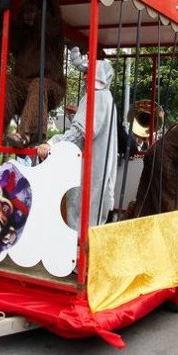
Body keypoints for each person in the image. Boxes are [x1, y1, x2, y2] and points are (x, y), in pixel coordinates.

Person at [36, 49, 117, 232]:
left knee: (80, 219)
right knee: (91, 221)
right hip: (98, 169)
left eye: (88, 74)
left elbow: (80, 133)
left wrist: (52, 144)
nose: (86, 78)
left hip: (90, 171)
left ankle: (75, 253)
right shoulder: (107, 98)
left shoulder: (95, 97)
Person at [0, 0, 66, 148]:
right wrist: (2, 15)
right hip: (25, 85)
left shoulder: (54, 32)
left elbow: (51, 25)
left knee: (39, 84)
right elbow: (3, 35)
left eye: (32, 12)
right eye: (25, 13)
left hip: (51, 85)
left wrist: (45, 3)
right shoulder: (23, 35)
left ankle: (28, 134)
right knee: (5, 81)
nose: (27, 17)